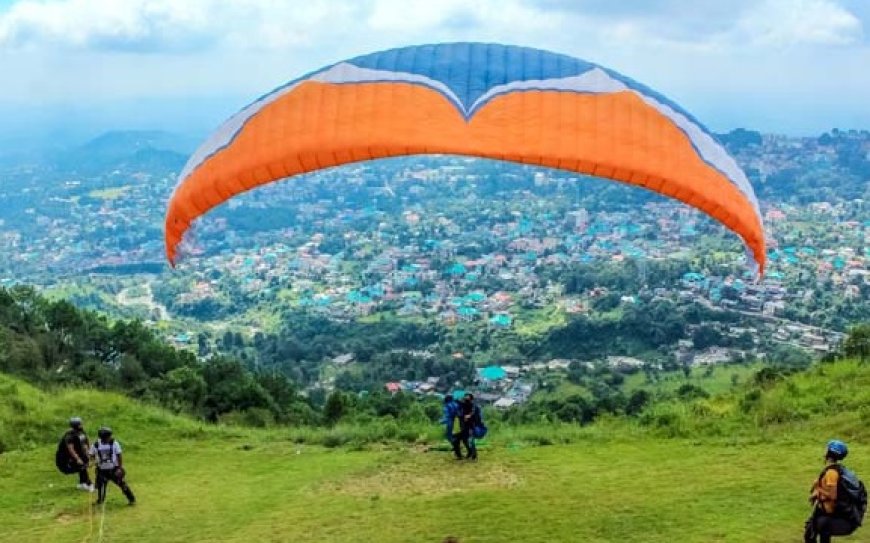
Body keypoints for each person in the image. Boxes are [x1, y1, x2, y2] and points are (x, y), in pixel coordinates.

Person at [805, 439, 864, 543]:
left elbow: (832, 496)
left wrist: (818, 487)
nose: (824, 451)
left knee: (819, 529)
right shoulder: (833, 469)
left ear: (831, 452)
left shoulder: (831, 473)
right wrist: (816, 494)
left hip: (830, 513)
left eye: (826, 449)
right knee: (810, 532)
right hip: (824, 511)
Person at [90, 427, 136, 506]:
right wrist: (94, 461)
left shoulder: (114, 443)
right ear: (103, 438)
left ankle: (131, 499)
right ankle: (100, 500)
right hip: (102, 470)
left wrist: (120, 467)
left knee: (122, 484)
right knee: (101, 486)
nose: (110, 438)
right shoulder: (96, 444)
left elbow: (119, 455)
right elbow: (91, 454)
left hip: (113, 469)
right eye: (108, 437)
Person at [56, 417, 93, 492]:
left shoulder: (81, 432)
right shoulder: (70, 435)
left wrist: (89, 454)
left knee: (84, 463)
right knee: (81, 466)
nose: (82, 425)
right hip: (65, 459)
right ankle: (88, 484)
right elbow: (71, 449)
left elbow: (85, 444)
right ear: (76, 425)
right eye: (80, 424)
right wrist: (77, 459)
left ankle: (82, 483)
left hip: (76, 455)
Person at [458, 393, 482, 460]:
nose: (466, 397)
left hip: (471, 425)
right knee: (465, 439)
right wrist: (464, 417)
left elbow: (473, 414)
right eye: (465, 396)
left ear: (471, 398)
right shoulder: (463, 404)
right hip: (464, 425)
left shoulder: (473, 406)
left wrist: (468, 416)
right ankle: (470, 452)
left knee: (471, 440)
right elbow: (460, 412)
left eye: (467, 396)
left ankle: (474, 454)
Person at [440, 394, 462, 460]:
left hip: (451, 422)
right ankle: (457, 450)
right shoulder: (456, 404)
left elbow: (447, 416)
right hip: (459, 422)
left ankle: (457, 451)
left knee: (449, 436)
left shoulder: (447, 406)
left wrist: (441, 421)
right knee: (457, 437)